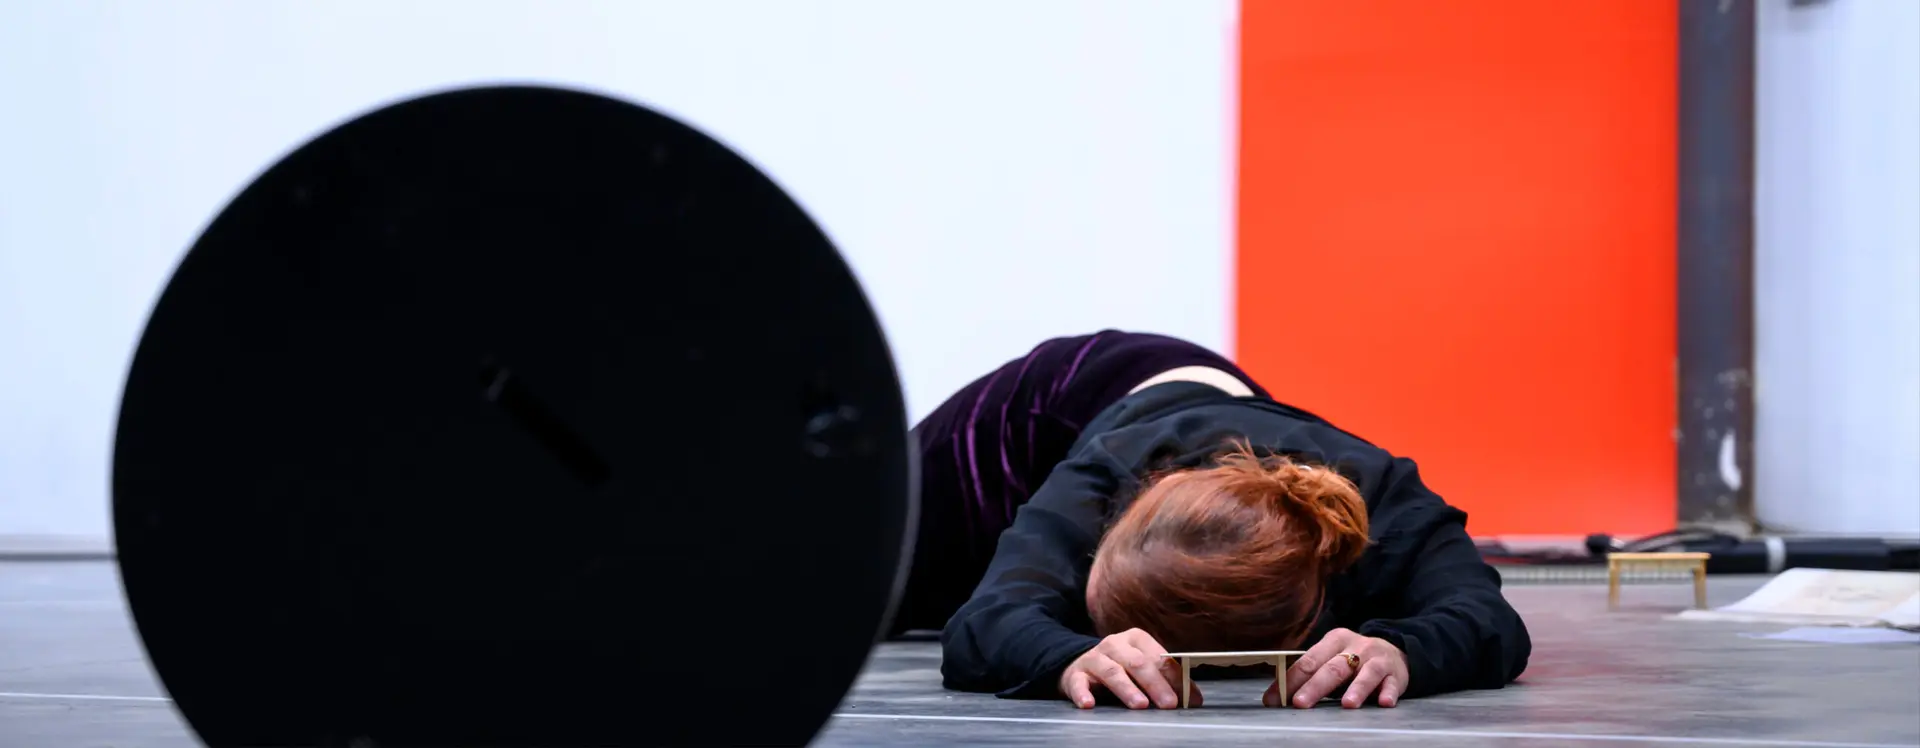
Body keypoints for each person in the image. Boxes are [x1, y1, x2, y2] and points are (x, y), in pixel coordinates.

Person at [891, 329, 1530, 710]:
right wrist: (1069, 656)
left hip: (1204, 418)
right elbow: (986, 620)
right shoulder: (1097, 481)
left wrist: (1403, 651)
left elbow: (1488, 619)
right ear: (1112, 527)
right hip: (1045, 411)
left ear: (1299, 630)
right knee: (854, 583)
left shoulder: (1385, 500)